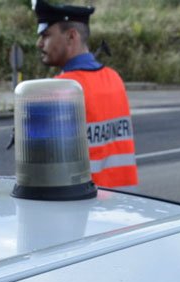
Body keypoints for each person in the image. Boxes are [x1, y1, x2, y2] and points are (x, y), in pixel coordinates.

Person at [32, 1, 138, 188]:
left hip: (82, 207)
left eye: (46, 35)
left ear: (71, 36)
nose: (39, 43)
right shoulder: (114, 78)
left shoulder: (59, 90)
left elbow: (43, 169)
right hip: (123, 202)